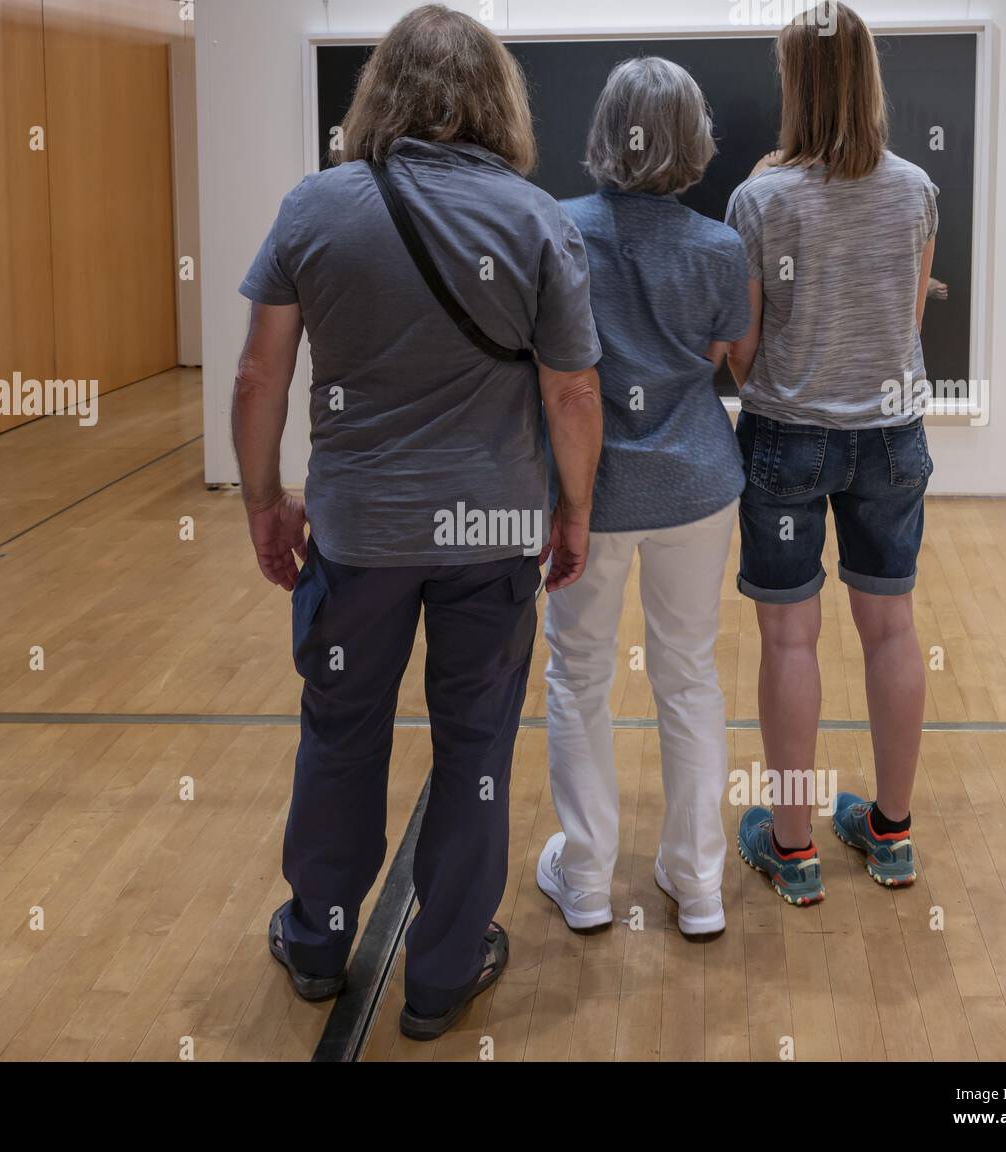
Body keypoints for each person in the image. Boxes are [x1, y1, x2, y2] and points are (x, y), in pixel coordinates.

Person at [232, 4, 603, 1039]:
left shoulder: (316, 206)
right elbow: (573, 395)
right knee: (475, 745)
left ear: (378, 92)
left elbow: (262, 372)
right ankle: (441, 974)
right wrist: (570, 512)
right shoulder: (536, 220)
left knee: (341, 736)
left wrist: (263, 499)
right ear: (496, 98)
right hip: (490, 536)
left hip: (356, 535)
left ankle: (317, 940)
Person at [726, 1, 938, 905]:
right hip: (892, 437)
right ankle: (891, 834)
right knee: (890, 629)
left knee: (790, 637)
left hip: (787, 439)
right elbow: (910, 324)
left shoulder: (760, 201)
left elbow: (742, 348)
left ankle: (796, 847)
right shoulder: (916, 189)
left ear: (796, 84)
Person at [536, 58, 751, 938]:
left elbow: (557, 375)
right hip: (697, 486)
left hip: (589, 492)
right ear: (694, 142)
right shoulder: (721, 248)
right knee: (689, 676)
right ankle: (697, 883)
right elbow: (730, 357)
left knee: (579, 675)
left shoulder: (557, 231)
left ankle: (585, 879)